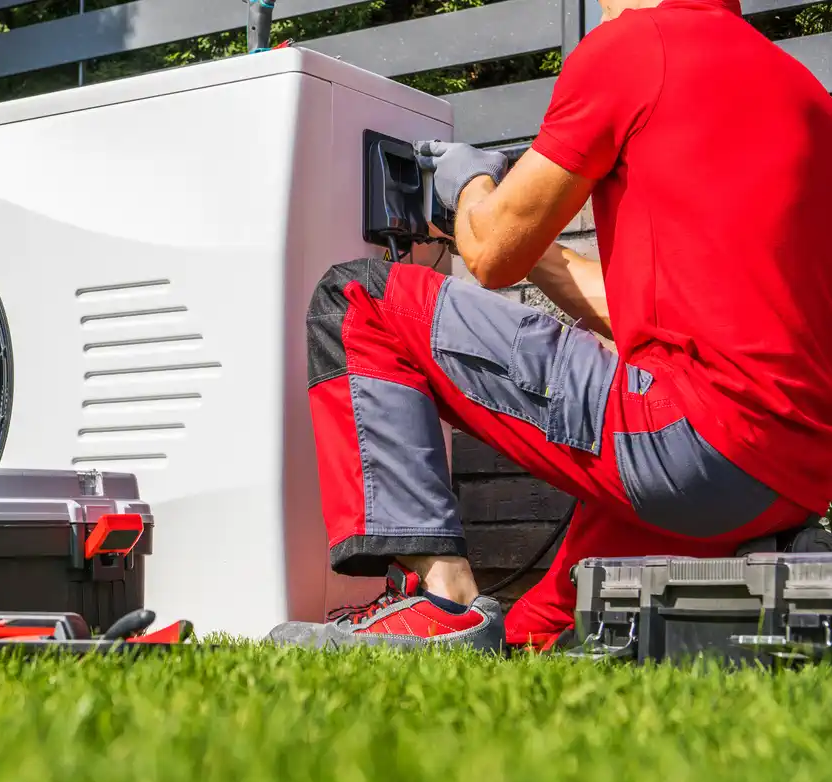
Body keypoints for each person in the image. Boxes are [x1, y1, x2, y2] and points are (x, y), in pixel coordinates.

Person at [269, 0, 832, 652]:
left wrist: (471, 185)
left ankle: (441, 598)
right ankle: (776, 548)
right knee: (535, 636)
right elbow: (689, 307)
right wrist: (524, 233)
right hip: (787, 478)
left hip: (687, 442)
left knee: (358, 302)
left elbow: (488, 253)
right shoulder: (804, 93)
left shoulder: (633, 48)